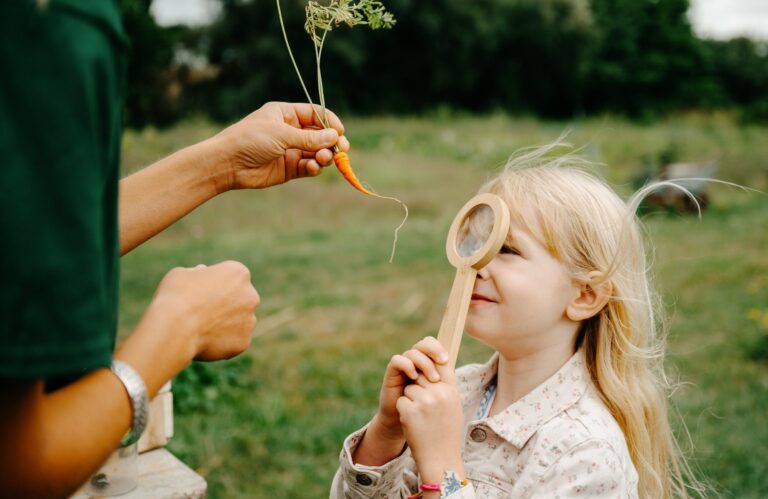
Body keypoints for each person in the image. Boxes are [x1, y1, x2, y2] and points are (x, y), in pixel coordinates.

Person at [0, 1, 349, 497]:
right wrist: (182, 327)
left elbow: (23, 236)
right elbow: (18, 467)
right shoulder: (50, 24)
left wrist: (222, 163)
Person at [331, 143, 703, 498]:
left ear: (584, 296)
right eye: (474, 243)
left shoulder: (585, 452)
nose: (477, 262)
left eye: (505, 249)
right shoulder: (457, 393)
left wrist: (442, 466)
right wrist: (386, 433)